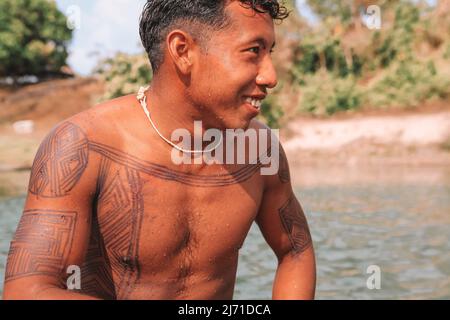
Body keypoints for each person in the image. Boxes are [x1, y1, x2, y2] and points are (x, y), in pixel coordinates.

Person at [3, 0, 316, 300]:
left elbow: (295, 251)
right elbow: (27, 291)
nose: (270, 76)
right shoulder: (83, 146)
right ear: (183, 51)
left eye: (269, 52)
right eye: (253, 52)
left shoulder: (259, 151)